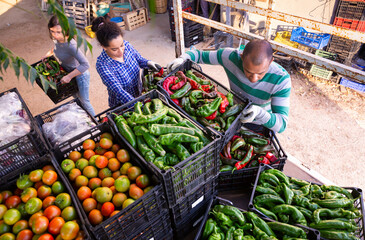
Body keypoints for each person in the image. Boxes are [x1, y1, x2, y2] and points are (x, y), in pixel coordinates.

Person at [167, 39, 291, 133]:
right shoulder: (230, 57)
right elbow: (199, 55)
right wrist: (182, 59)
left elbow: (282, 125)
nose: (254, 78)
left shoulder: (281, 80)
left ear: (271, 62)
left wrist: (259, 113)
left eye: (260, 73)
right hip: (232, 114)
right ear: (242, 57)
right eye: (248, 71)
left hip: (261, 125)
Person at [91, 17, 161, 108]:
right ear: (104, 47)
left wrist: (148, 63)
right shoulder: (103, 64)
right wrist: (138, 107)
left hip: (138, 94)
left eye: (121, 45)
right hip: (122, 104)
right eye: (114, 49)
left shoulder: (127, 45)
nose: (121, 51)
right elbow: (119, 91)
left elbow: (139, 60)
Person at [45, 15, 95, 116]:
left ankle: (96, 124)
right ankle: (85, 118)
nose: (55, 35)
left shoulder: (71, 46)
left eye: (58, 32)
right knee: (77, 98)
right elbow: (56, 48)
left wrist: (69, 76)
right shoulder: (57, 40)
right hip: (68, 73)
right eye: (52, 31)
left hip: (80, 75)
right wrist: (48, 54)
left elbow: (85, 64)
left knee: (84, 101)